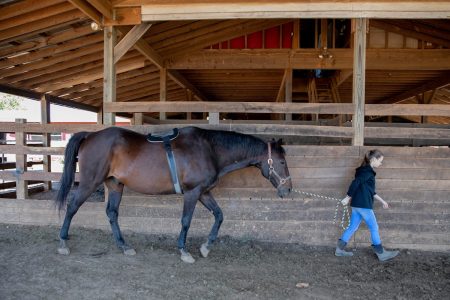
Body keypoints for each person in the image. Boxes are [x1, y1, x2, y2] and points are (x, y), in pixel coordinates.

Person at [335, 149, 399, 262]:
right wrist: (347, 197)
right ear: (373, 159)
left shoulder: (363, 171)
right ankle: (381, 253)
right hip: (364, 205)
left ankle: (339, 249)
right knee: (374, 227)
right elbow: (355, 183)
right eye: (380, 161)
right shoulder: (367, 172)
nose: (381, 163)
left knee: (353, 227)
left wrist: (382, 201)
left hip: (357, 205)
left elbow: (370, 191)